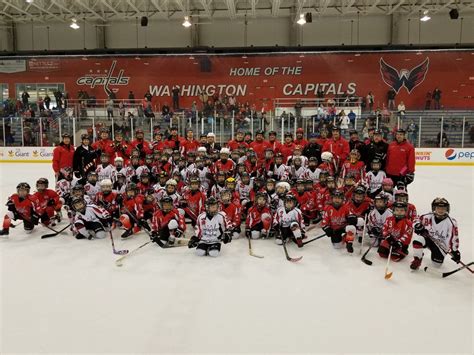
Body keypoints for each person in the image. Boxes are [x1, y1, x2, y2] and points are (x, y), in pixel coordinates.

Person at [410, 198, 460, 270]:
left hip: (440, 245)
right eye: (438, 208)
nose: (440, 210)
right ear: (434, 208)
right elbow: (415, 220)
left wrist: (455, 251)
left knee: (436, 265)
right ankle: (417, 259)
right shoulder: (427, 216)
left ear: (447, 209)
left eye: (443, 208)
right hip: (428, 239)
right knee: (418, 240)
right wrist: (417, 225)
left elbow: (454, 237)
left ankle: (436, 256)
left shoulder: (451, 222)